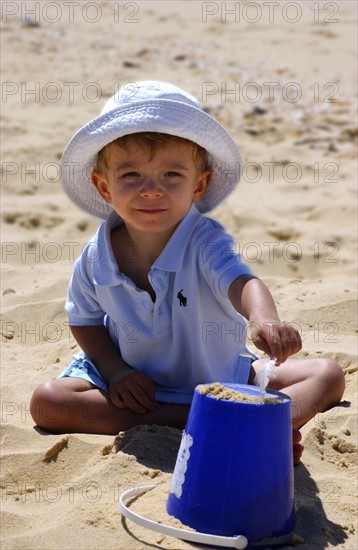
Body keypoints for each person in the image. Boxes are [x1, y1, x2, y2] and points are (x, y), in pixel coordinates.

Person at [30, 81, 345, 464]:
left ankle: (258, 420)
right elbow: (85, 321)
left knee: (328, 375)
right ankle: (232, 422)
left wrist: (264, 319)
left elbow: (243, 282)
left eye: (171, 176)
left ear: (200, 184)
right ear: (103, 186)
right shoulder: (98, 255)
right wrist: (116, 372)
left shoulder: (204, 242)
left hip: (216, 378)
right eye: (131, 175)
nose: (151, 191)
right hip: (138, 388)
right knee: (48, 402)